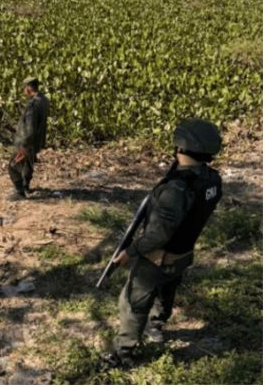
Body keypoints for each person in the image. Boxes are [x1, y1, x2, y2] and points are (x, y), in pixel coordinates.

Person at [108, 118, 223, 366]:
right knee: (166, 289)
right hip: (183, 255)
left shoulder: (176, 189)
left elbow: (158, 235)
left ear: (180, 148)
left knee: (132, 302)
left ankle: (124, 352)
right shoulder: (212, 180)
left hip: (158, 257)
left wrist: (132, 250)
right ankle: (157, 324)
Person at [8, 77, 49, 199]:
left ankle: (19, 191)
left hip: (27, 141)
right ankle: (26, 186)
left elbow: (30, 127)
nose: (23, 91)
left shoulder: (33, 104)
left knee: (13, 166)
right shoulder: (44, 100)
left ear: (28, 88)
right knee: (28, 164)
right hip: (37, 141)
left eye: (24, 88)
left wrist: (25, 145)